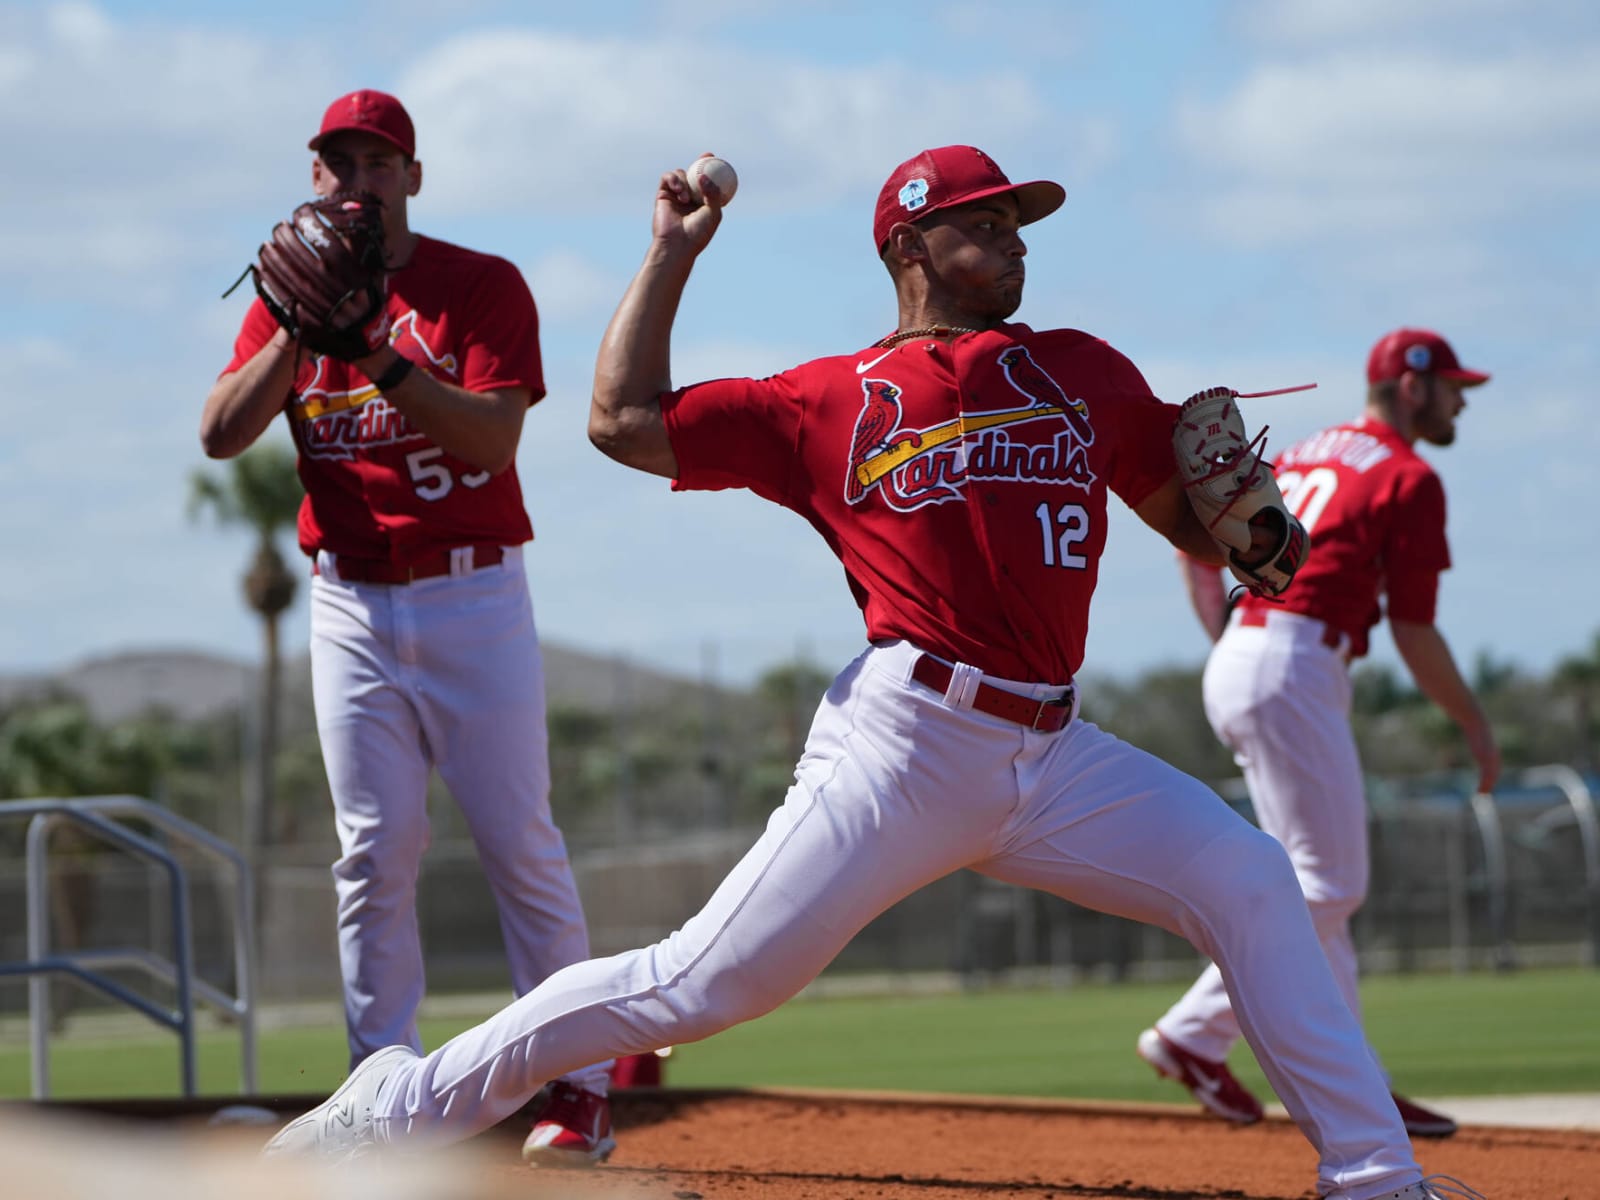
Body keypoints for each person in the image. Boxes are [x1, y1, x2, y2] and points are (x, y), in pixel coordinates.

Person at [261, 145, 1478, 1200]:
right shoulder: (830, 399)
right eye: (984, 222)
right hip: (905, 745)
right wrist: (672, 252)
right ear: (909, 243)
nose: (1011, 242)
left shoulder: (1081, 370)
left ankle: (1372, 1177)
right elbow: (620, 421)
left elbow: (1201, 530)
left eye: (1017, 223)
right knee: (695, 985)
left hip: (1054, 753)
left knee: (1255, 879)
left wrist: (1256, 534)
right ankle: (393, 1109)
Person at [199, 88, 618, 1166]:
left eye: (378, 163)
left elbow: (489, 445)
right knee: (373, 853)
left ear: (411, 181)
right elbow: (219, 433)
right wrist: (298, 332)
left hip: (471, 592)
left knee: (518, 841)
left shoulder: (476, 287)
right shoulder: (287, 298)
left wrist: (377, 353)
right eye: (338, 163)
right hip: (347, 595)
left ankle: (578, 1089)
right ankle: (376, 1099)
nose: (356, 181)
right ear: (314, 178)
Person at [1141, 329, 1499, 1140]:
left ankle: (1360, 1082)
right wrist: (1474, 724)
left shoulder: (1305, 452)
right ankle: (1190, 1034)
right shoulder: (1405, 476)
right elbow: (1413, 628)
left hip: (1251, 653)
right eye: (1453, 386)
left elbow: (1197, 552)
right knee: (1330, 886)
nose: (1462, 401)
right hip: (1295, 662)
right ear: (1412, 388)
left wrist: (1229, 644)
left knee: (1315, 883)